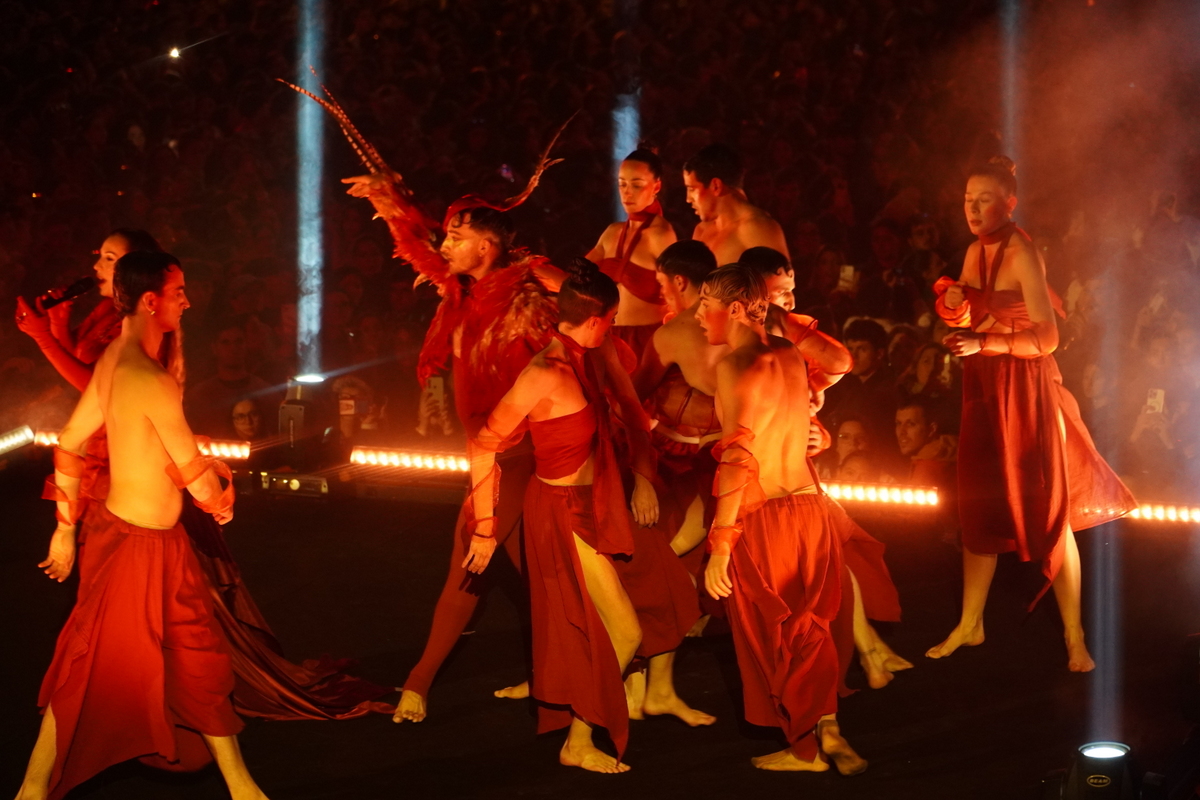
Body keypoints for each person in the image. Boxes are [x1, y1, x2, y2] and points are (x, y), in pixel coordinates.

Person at [14, 252, 269, 800]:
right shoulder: (148, 378)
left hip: (148, 541)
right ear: (152, 300)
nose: (188, 301)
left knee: (194, 654)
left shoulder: (114, 360)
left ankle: (242, 785)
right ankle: (31, 791)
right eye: (180, 292)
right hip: (134, 546)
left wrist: (65, 527)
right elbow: (190, 471)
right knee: (91, 667)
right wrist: (221, 496)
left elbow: (70, 442)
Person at [466, 260, 710, 773]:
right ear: (601, 319)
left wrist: (643, 476)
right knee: (623, 632)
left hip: (603, 502)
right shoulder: (544, 373)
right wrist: (486, 530)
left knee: (667, 586)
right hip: (561, 513)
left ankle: (643, 697)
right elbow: (483, 443)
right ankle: (579, 739)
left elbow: (632, 414)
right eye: (615, 319)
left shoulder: (595, 358)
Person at [342, 173, 558, 724]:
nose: (445, 247)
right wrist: (391, 203)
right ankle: (557, 676)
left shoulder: (528, 299)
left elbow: (579, 350)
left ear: (486, 248)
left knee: (471, 558)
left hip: (519, 452)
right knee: (534, 576)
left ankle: (418, 684)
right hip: (485, 450)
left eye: (456, 238)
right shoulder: (462, 288)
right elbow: (420, 252)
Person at [929, 157, 1136, 671]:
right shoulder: (977, 249)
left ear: (1009, 203)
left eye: (984, 200)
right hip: (984, 385)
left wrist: (983, 340)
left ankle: (1073, 635)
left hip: (1024, 389)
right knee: (979, 504)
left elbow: (1047, 338)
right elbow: (973, 311)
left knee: (1049, 511)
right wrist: (957, 311)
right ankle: (970, 623)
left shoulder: (1021, 251)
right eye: (967, 199)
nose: (973, 209)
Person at [698, 264, 866, 773]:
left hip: (768, 515)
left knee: (773, 630)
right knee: (809, 625)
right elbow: (830, 373)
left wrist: (721, 543)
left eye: (704, 304)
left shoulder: (735, 366)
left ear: (731, 309)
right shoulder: (791, 355)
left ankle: (805, 747)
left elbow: (738, 458)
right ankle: (826, 729)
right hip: (811, 508)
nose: (698, 315)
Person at [583, 147, 677, 356]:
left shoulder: (661, 234)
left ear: (656, 186)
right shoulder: (612, 233)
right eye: (622, 184)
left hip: (647, 345)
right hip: (606, 340)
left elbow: (681, 294)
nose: (627, 192)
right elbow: (572, 279)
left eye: (636, 185)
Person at [684, 144, 790, 266]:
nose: (688, 199)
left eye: (692, 189)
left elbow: (782, 283)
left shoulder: (756, 228)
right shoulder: (702, 230)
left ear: (716, 186)